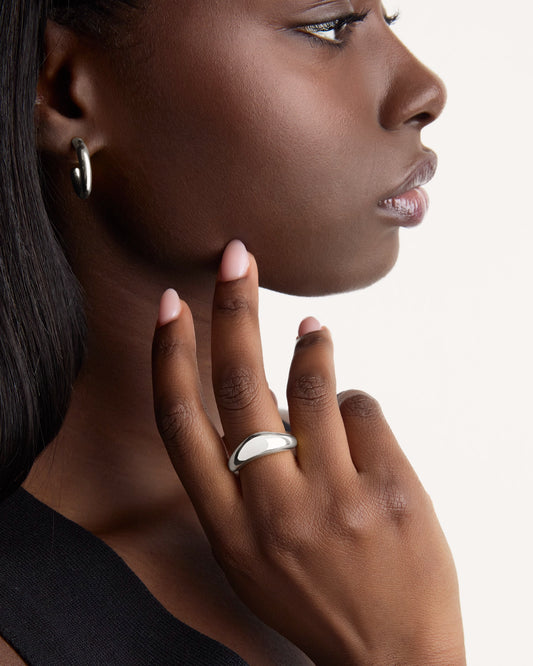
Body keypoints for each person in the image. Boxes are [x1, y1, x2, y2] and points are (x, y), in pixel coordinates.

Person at [0, 0, 466, 663]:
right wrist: (407, 647)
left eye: (386, 19)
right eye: (329, 26)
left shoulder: (344, 525)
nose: (424, 91)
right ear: (64, 86)